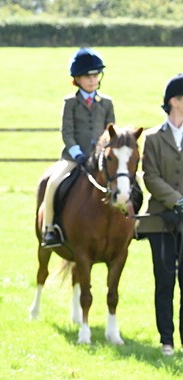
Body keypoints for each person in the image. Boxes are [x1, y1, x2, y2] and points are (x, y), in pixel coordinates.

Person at [40, 47, 116, 247]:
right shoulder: (71, 102)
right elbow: (67, 132)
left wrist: (103, 153)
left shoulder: (106, 102)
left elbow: (111, 132)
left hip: (100, 158)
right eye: (87, 76)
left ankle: (131, 224)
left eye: (95, 75)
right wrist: (77, 153)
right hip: (74, 158)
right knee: (52, 183)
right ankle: (49, 229)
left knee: (124, 181)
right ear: (77, 79)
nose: (92, 80)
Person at [138, 73, 183, 356]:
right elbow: (150, 176)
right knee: (164, 282)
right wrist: (177, 201)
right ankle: (166, 340)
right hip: (160, 222)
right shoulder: (153, 139)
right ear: (174, 101)